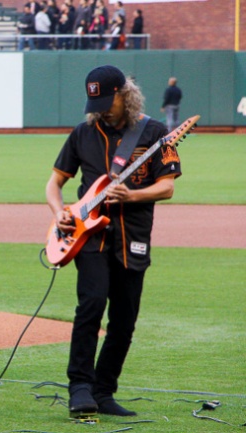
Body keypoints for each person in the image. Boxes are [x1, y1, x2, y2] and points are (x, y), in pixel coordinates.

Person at [45, 65, 181, 418]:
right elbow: (54, 183)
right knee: (90, 305)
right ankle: (79, 387)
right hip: (89, 237)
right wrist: (59, 213)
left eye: (107, 102)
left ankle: (103, 391)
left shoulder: (154, 132)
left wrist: (132, 196)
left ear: (125, 94)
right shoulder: (83, 133)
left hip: (133, 236)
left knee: (124, 320)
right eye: (96, 104)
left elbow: (167, 187)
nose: (101, 110)